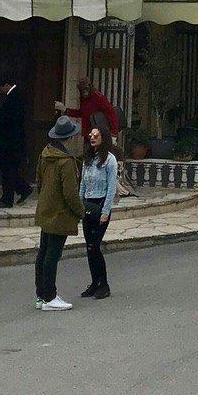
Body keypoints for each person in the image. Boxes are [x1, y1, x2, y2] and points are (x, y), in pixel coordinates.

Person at [33, 115, 85, 311]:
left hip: (46, 208)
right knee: (52, 256)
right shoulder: (67, 162)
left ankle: (41, 295)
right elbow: (70, 193)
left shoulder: (45, 154)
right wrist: (81, 212)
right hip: (60, 213)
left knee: (43, 253)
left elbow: (38, 180)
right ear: (70, 137)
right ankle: (50, 297)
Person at [78, 124, 119, 300]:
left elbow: (111, 187)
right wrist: (79, 205)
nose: (92, 138)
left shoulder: (109, 160)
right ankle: (94, 283)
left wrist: (106, 210)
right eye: (91, 135)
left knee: (95, 246)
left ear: (103, 138)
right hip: (88, 205)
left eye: (96, 135)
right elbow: (83, 184)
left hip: (101, 204)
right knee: (89, 247)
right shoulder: (88, 159)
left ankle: (104, 284)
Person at [0, 77, 31, 209]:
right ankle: (23, 188)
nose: (0, 92)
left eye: (0, 88)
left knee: (8, 170)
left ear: (6, 85)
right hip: (11, 142)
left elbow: (8, 117)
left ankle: (7, 199)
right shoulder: (14, 96)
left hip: (10, 143)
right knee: (9, 169)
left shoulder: (15, 97)